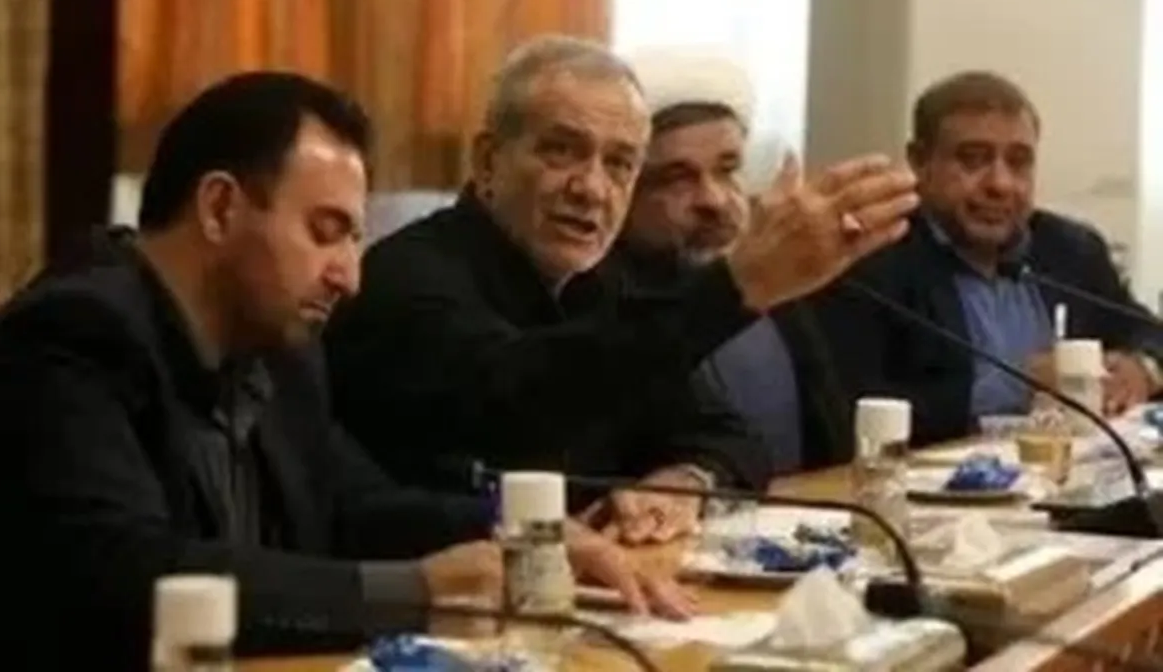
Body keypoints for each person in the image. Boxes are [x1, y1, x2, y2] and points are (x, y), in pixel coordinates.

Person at [0, 72, 687, 668]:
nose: (350, 276)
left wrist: (527, 531)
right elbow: (126, 575)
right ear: (220, 207)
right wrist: (414, 590)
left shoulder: (282, 347)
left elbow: (353, 506)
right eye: (326, 232)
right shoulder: (67, 339)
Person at [324, 36, 918, 546]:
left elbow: (729, 435)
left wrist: (685, 480)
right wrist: (739, 283)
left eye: (619, 164)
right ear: (487, 162)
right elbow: (526, 399)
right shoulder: (407, 276)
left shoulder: (601, 284)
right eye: (562, 151)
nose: (591, 188)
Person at [825, 70, 1163, 446]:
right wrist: (1018, 385)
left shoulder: (1071, 250)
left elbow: (1149, 332)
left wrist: (1142, 368)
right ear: (919, 162)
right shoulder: (873, 260)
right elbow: (850, 410)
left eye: (1019, 162)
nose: (1000, 184)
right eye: (973, 160)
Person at [618, 50, 853, 473]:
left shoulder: (774, 287)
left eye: (727, 170)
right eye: (677, 178)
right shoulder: (602, 307)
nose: (713, 200)